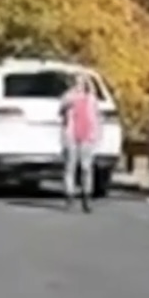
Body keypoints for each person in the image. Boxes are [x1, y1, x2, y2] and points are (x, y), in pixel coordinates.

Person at [59, 73, 101, 212]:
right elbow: (60, 111)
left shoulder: (91, 99)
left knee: (86, 167)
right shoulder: (67, 97)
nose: (79, 86)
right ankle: (69, 197)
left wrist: (96, 135)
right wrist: (68, 103)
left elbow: (96, 118)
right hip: (71, 134)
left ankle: (86, 197)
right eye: (76, 83)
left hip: (87, 135)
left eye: (81, 83)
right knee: (70, 166)